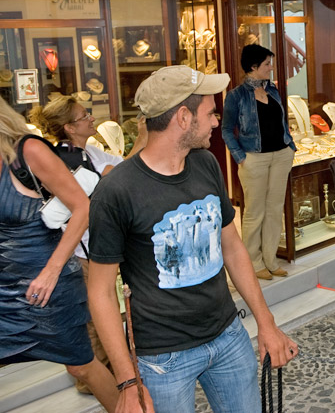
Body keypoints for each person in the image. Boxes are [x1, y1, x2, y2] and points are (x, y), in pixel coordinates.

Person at [88, 66, 298, 412]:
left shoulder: (206, 164)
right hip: (162, 358)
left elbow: (232, 247)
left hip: (228, 336)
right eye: (211, 113)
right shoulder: (116, 191)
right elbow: (100, 293)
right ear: (183, 118)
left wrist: (266, 323)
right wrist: (127, 380)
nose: (218, 121)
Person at [0, 97, 118, 411]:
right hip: (4, 285)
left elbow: (82, 207)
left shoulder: (29, 151)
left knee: (81, 365)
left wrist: (51, 271)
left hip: (47, 283)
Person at [29, 95, 146, 395]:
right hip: (81, 251)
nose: (91, 118)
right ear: (69, 127)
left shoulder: (90, 152)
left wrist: (144, 134)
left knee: (101, 312)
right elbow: (116, 177)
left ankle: (109, 375)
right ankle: (95, 379)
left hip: (96, 247)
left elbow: (126, 168)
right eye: (84, 116)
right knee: (94, 317)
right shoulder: (65, 160)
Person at [222, 44, 296, 280]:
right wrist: (240, 157)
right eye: (267, 64)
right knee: (254, 212)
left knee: (275, 210)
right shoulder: (236, 95)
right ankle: (253, 263)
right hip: (254, 158)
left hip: (281, 156)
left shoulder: (273, 89)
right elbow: (226, 130)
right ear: (253, 67)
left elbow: (281, 121)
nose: (271, 67)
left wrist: (290, 145)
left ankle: (271, 259)